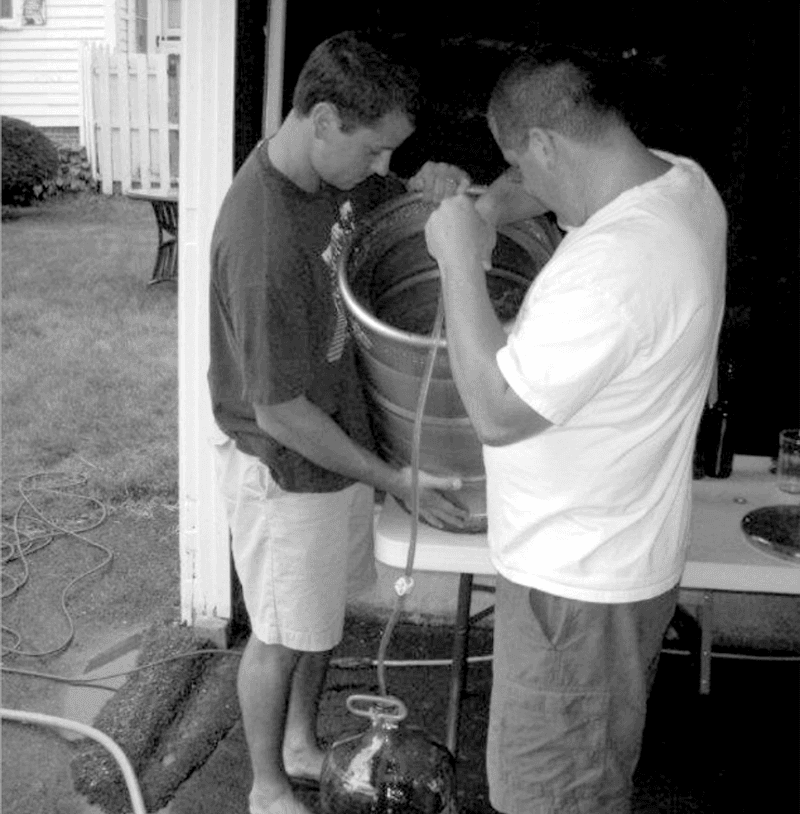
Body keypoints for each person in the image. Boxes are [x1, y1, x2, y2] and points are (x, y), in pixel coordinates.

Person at [424, 46, 726, 814]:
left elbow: (495, 410)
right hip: (607, 564)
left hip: (575, 594)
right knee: (583, 781)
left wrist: (462, 257)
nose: (517, 178)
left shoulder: (616, 266)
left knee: (549, 796)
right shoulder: (682, 185)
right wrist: (492, 205)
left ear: (548, 145)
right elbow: (554, 187)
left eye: (518, 162)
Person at [208, 31, 473, 814]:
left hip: (338, 446)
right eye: (376, 149)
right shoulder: (261, 238)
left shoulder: (332, 175)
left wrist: (428, 186)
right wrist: (393, 477)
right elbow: (277, 411)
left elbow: (388, 203)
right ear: (323, 119)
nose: (380, 166)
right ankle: (263, 786)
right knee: (280, 632)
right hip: (289, 467)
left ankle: (298, 744)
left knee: (317, 618)